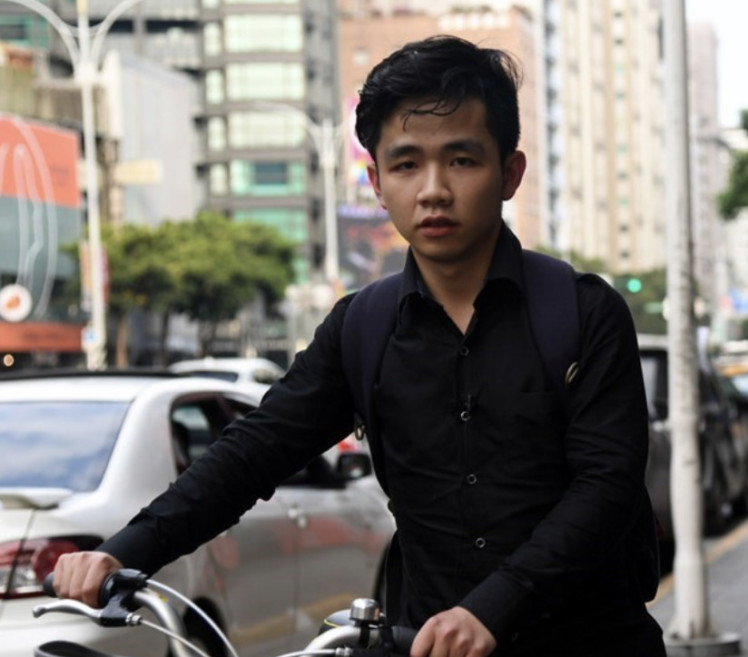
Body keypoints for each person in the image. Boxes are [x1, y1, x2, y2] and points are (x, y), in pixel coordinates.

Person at [50, 36, 665, 657]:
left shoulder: (583, 312)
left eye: (461, 160)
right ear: (375, 181)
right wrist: (123, 551)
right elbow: (254, 451)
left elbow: (606, 487)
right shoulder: (362, 327)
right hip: (425, 645)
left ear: (510, 172)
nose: (432, 190)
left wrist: (492, 607)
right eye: (406, 165)